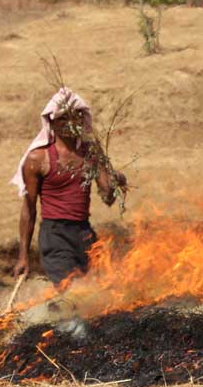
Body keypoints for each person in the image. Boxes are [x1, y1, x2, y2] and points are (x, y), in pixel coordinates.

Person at [10, 87, 126, 284]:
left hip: (84, 233)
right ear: (52, 122)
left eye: (75, 118)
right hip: (55, 235)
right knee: (69, 292)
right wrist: (23, 256)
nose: (69, 123)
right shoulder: (38, 159)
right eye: (63, 118)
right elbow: (29, 209)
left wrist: (118, 182)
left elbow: (107, 198)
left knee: (94, 298)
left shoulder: (91, 153)